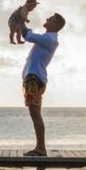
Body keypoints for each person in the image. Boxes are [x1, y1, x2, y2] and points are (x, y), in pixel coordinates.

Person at [20, 13, 66, 156]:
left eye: (51, 19)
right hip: (33, 77)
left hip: (35, 78)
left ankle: (40, 148)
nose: (47, 19)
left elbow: (27, 35)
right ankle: (40, 147)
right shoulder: (47, 39)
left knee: (35, 112)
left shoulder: (49, 39)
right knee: (35, 112)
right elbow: (28, 34)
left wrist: (20, 19)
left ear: (56, 26)